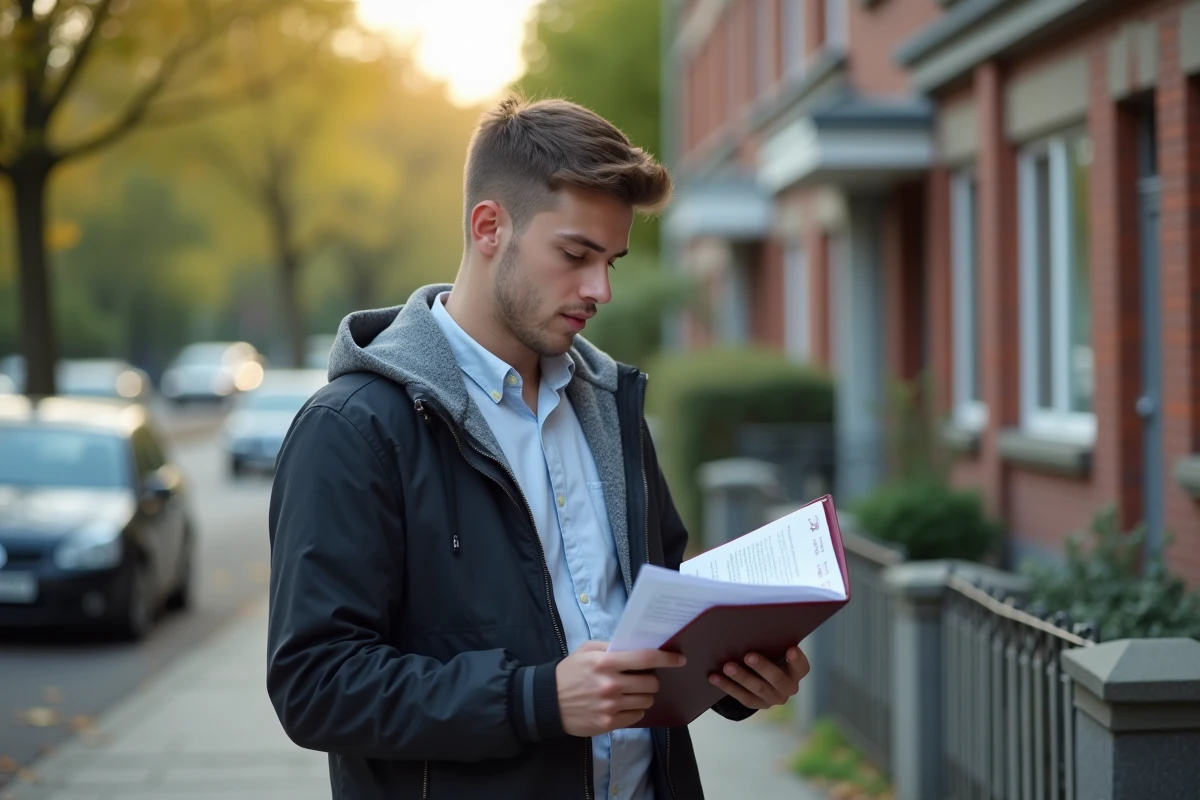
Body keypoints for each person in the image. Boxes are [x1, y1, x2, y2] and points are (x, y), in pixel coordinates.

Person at [265, 95, 811, 800]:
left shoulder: (612, 409)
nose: (599, 289)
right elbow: (316, 685)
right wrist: (535, 699)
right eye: (576, 255)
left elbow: (658, 620)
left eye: (611, 261)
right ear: (489, 227)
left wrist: (734, 677)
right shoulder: (352, 428)